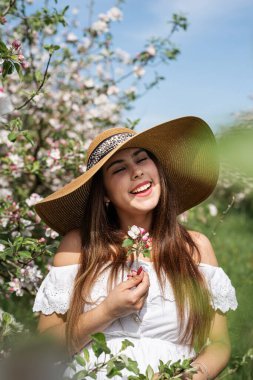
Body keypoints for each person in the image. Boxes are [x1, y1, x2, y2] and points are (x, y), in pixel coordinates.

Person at [33, 116, 238, 379]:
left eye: (142, 160)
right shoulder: (79, 246)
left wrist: (190, 377)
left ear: (157, 170)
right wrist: (107, 311)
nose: (137, 171)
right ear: (104, 193)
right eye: (119, 169)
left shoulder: (195, 248)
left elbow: (219, 343)